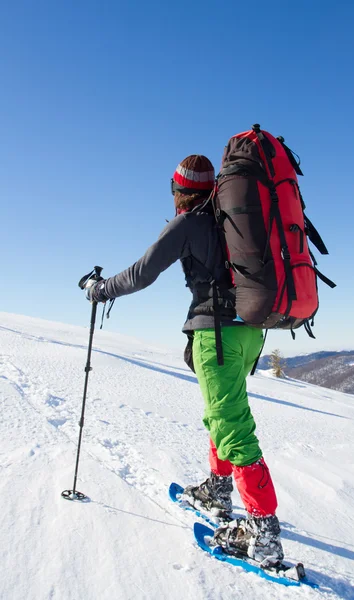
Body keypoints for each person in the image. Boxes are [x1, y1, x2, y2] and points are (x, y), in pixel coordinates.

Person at [85, 154, 284, 567]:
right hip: (249, 332)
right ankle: (217, 488)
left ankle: (263, 535)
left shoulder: (189, 222)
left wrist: (99, 289)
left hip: (219, 336)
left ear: (179, 192)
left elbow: (141, 272)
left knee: (234, 430)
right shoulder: (228, 219)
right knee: (221, 415)